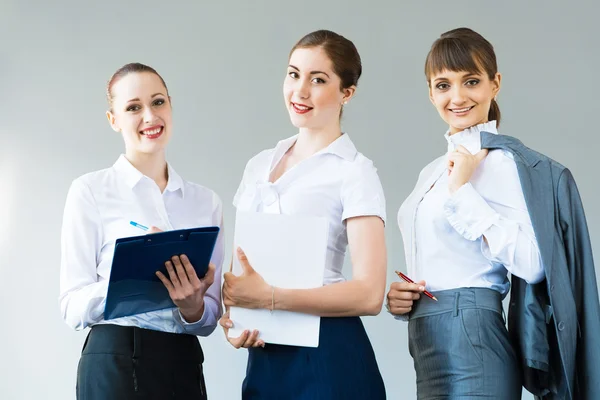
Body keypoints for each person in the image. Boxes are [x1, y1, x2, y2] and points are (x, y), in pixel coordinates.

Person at [219, 30, 387, 400]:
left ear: (347, 93)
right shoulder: (258, 164)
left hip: (329, 352)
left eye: (318, 79)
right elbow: (240, 275)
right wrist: (232, 323)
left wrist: (270, 299)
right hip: (265, 355)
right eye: (294, 74)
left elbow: (370, 294)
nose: (300, 91)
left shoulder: (355, 171)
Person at [386, 28, 546, 399]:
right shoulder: (431, 171)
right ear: (430, 92)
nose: (456, 97)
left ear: (495, 83)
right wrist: (403, 300)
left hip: (473, 337)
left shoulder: (504, 162)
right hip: (426, 339)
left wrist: (463, 191)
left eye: (471, 81)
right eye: (443, 85)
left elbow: (535, 264)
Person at [59, 62, 223, 400]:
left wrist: (192, 307)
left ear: (171, 106)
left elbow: (208, 318)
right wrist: (131, 275)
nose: (150, 116)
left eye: (158, 102)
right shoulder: (90, 190)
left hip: (183, 362)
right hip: (115, 358)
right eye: (133, 107)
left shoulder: (205, 202)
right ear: (114, 120)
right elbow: (71, 307)